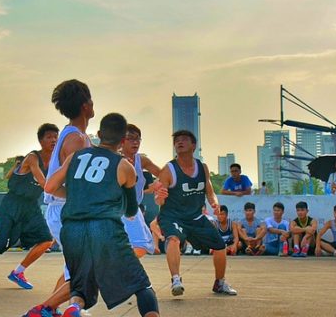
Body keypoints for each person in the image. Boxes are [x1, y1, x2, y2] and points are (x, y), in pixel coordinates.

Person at [36, 112, 160, 317]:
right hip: (104, 228)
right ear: (122, 141)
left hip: (72, 229)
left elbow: (49, 187)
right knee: (142, 285)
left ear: (99, 133)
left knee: (82, 285)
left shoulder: (75, 156)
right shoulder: (125, 166)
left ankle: (74, 308)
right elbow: (130, 210)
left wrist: (78, 193)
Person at [24, 79, 95, 317]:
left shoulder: (78, 136)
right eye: (91, 99)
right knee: (86, 271)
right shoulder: (76, 140)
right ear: (86, 105)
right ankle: (41, 310)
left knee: (73, 270)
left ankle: (50, 310)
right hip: (66, 212)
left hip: (66, 211)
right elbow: (56, 186)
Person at [0, 123, 57, 290]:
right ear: (41, 141)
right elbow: (43, 182)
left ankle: (18, 272)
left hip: (31, 206)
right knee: (1, 244)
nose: (53, 140)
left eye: (56, 137)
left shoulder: (57, 160)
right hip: (12, 204)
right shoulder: (33, 157)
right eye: (49, 137)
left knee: (47, 240)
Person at [157, 130, 236, 296]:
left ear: (193, 146)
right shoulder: (169, 169)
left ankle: (219, 283)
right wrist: (160, 197)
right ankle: (176, 280)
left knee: (220, 246)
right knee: (173, 239)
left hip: (196, 217)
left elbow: (209, 191)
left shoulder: (202, 167)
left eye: (184, 139)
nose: (179, 142)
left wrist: (215, 203)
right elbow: (159, 199)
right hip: (173, 216)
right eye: (177, 140)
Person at [121, 124, 164, 257]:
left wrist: (156, 185)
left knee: (140, 246)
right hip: (117, 208)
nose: (135, 142)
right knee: (139, 245)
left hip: (133, 208)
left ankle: (120, 269)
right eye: (130, 138)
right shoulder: (115, 158)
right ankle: (120, 268)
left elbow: (162, 174)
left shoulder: (142, 160)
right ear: (122, 140)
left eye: (138, 139)